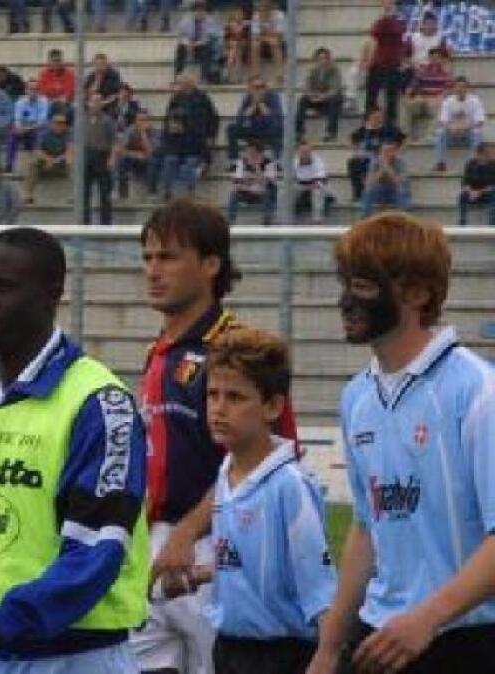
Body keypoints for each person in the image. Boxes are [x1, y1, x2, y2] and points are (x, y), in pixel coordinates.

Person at [0, 227, 149, 674]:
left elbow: (97, 551)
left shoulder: (99, 402)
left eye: (2, 287)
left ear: (51, 294)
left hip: (72, 657)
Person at [307, 213, 495, 674]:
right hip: (380, 636)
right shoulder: (357, 397)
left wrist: (427, 618)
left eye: (365, 287)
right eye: (345, 284)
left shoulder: (477, 392)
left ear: (417, 293)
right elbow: (366, 528)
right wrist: (329, 648)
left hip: (462, 640)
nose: (346, 301)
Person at [133, 199, 298, 674]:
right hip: (158, 548)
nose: (153, 270)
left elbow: (265, 467)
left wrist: (187, 531)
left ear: (210, 265)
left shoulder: (240, 352)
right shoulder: (157, 353)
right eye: (147, 258)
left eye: (168, 257)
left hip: (218, 545)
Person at [202, 328, 336, 674]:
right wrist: (200, 575)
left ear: (273, 406)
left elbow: (318, 586)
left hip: (279, 656)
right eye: (212, 394)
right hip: (228, 650)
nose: (219, 408)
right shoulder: (225, 472)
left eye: (235, 397)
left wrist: (329, 656)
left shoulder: (289, 486)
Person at [160, 75, 219, 199]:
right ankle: (166, 192)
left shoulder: (202, 98)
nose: (180, 86)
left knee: (189, 166)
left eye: (181, 84)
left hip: (196, 144)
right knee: (169, 161)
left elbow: (213, 118)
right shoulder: (176, 99)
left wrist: (211, 136)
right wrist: (171, 129)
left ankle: (190, 192)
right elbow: (168, 119)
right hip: (177, 142)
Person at [347, 107, 405, 201]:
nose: (378, 119)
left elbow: (403, 139)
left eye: (379, 117)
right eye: (375, 117)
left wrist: (398, 151)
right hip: (368, 156)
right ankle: (358, 193)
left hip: (384, 157)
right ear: (369, 118)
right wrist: (356, 151)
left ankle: (374, 192)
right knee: (353, 162)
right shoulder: (364, 130)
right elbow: (352, 139)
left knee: (376, 163)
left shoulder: (389, 129)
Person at [226, 76, 282, 165]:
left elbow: (275, 121)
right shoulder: (247, 98)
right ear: (250, 89)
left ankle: (278, 160)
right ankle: (233, 161)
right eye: (256, 87)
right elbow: (240, 120)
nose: (259, 90)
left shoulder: (273, 97)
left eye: (262, 86)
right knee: (231, 128)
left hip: (267, 130)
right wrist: (253, 105)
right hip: (251, 131)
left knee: (280, 129)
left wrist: (261, 104)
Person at [433, 76, 485, 172]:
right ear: (454, 88)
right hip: (451, 134)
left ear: (467, 88)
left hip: (468, 133)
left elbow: (480, 121)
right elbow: (442, 121)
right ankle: (440, 163)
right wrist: (451, 127)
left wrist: (465, 127)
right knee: (440, 133)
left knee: (478, 134)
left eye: (463, 87)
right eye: (458, 87)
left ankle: (471, 165)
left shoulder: (475, 101)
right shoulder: (448, 101)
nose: (461, 89)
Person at [367, 0, 407, 125]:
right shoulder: (379, 22)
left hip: (393, 64)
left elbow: (398, 30)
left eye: (390, 4)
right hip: (378, 63)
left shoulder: (400, 22)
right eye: (386, 4)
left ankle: (391, 123)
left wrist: (388, 17)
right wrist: (384, 17)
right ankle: (369, 120)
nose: (388, 6)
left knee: (391, 97)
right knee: (372, 96)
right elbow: (374, 32)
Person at [82, 93, 118, 226]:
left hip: (102, 156)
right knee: (84, 193)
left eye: (98, 101)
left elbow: (114, 142)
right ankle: (84, 222)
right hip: (86, 156)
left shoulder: (107, 121)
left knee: (105, 193)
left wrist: (112, 158)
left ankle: (106, 223)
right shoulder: (82, 119)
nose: (96, 104)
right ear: (88, 103)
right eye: (93, 101)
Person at [403, 47, 452, 141]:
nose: (434, 60)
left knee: (440, 105)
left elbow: (447, 90)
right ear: (429, 58)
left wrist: (440, 97)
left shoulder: (446, 73)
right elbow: (413, 85)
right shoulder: (422, 70)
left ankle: (431, 134)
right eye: (432, 58)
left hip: (436, 101)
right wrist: (407, 96)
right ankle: (407, 135)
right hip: (422, 100)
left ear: (441, 59)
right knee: (409, 105)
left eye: (437, 58)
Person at [22, 113, 71, 205]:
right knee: (32, 163)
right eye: (58, 122)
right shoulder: (43, 133)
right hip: (45, 162)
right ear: (51, 123)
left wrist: (55, 160)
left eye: (63, 123)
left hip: (61, 163)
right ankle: (28, 196)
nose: (61, 125)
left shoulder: (69, 133)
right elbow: (37, 150)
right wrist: (49, 159)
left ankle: (74, 196)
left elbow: (70, 150)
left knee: (72, 163)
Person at [296, 48, 343, 142]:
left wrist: (321, 97)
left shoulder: (335, 70)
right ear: (317, 60)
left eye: (325, 58)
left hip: (329, 99)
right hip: (316, 98)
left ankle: (331, 133)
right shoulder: (312, 70)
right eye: (320, 59)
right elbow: (307, 86)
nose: (323, 61)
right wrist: (311, 96)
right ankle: (299, 132)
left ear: (329, 59)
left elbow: (334, 89)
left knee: (336, 99)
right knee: (303, 100)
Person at [226, 141, 277, 226]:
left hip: (263, 193)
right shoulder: (242, 162)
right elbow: (237, 183)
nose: (249, 155)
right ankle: (230, 221)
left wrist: (257, 166)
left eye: (253, 153)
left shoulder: (269, 163)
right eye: (248, 153)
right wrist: (248, 187)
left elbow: (267, 183)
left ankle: (267, 222)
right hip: (247, 191)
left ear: (260, 154)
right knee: (234, 194)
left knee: (267, 193)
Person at [115, 111, 162, 199]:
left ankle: (152, 192)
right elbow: (120, 149)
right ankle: (122, 193)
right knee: (122, 160)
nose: (142, 122)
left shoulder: (156, 132)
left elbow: (151, 152)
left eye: (145, 120)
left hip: (149, 159)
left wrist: (143, 134)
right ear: (135, 121)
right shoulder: (130, 130)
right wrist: (135, 154)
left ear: (150, 121)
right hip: (135, 158)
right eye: (140, 120)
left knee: (154, 161)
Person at [173, 1, 222, 85]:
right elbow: (180, 35)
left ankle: (204, 77)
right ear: (194, 12)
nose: (200, 14)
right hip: (189, 45)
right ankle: (178, 75)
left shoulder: (210, 21)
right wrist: (187, 43)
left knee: (206, 49)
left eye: (202, 11)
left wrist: (195, 44)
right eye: (197, 11)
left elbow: (208, 38)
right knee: (180, 48)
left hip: (203, 46)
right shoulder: (186, 20)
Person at [360, 139, 412, 216]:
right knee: (368, 190)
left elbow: (399, 182)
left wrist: (387, 167)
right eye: (385, 151)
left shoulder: (400, 162)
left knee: (403, 187)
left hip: (395, 192)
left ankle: (405, 213)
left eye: (391, 150)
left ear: (395, 152)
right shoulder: (375, 162)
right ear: (381, 152)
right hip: (380, 191)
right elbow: (369, 182)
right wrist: (382, 169)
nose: (388, 153)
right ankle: (366, 215)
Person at [8, 78, 50, 172]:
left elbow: (42, 121)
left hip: (38, 128)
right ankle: (9, 164)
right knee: (13, 134)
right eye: (31, 89)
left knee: (37, 134)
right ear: (26, 90)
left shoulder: (44, 102)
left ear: (39, 90)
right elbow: (17, 119)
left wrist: (28, 128)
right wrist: (20, 128)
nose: (33, 92)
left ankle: (35, 163)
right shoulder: (20, 102)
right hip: (24, 127)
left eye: (36, 89)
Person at [458, 141, 495, 227]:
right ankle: (462, 224)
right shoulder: (471, 163)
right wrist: (470, 191)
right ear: (483, 154)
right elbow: (465, 181)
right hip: (472, 193)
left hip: (488, 194)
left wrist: (480, 192)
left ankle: (492, 226)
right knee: (462, 195)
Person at [293, 140, 330, 224]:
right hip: (299, 187)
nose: (305, 154)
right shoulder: (293, 162)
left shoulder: (319, 162)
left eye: (307, 152)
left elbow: (320, 181)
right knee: (286, 190)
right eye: (303, 152)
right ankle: (283, 218)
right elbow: (289, 180)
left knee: (318, 191)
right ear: (298, 152)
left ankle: (317, 219)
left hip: (316, 186)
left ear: (311, 152)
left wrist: (308, 187)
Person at [248, 0, 285, 80]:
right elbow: (255, 35)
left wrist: (266, 34)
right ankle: (255, 74)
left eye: (266, 5)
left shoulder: (279, 15)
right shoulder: (256, 16)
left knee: (274, 43)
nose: (264, 7)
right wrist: (266, 37)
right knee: (254, 45)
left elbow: (279, 34)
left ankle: (279, 73)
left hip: (276, 39)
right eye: (262, 5)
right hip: (263, 39)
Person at [37, 49, 76, 115]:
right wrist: (54, 100)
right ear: (49, 62)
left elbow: (69, 92)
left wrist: (59, 99)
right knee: (44, 107)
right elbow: (43, 92)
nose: (56, 63)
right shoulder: (44, 74)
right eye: (54, 61)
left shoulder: (69, 74)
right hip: (48, 103)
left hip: (66, 103)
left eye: (58, 61)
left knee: (70, 108)